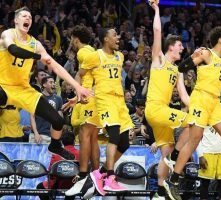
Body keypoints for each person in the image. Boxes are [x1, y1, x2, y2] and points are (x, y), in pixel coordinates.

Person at [165, 26, 221, 199]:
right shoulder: (206, 53)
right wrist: (193, 56)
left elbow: (219, 80)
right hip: (201, 99)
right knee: (194, 140)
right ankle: (173, 180)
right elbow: (182, 68)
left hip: (214, 102)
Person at [0, 7, 90, 160]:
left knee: (58, 120)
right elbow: (15, 50)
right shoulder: (8, 34)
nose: (27, 18)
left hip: (23, 90)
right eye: (23, 16)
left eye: (30, 16)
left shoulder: (35, 44)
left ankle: (54, 145)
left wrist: (77, 87)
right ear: (16, 20)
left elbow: (56, 66)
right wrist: (36, 56)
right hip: (3, 85)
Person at [69, 28, 134, 197]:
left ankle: (100, 173)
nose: (118, 37)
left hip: (120, 101)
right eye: (115, 35)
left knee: (125, 142)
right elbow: (79, 75)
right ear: (106, 39)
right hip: (104, 99)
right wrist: (79, 93)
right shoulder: (94, 55)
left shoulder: (120, 57)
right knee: (113, 134)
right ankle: (110, 177)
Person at [145, 3, 190, 200]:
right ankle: (174, 159)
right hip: (155, 109)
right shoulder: (159, 60)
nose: (183, 47)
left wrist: (200, 108)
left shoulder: (178, 72)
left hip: (161, 112)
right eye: (180, 45)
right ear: (171, 47)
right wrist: (156, 10)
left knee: (167, 150)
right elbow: (157, 30)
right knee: (192, 123)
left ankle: (160, 191)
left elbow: (184, 98)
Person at [64, 25, 101, 196]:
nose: (71, 41)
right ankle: (96, 174)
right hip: (96, 98)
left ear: (76, 39)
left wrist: (83, 94)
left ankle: (83, 174)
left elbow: (92, 76)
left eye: (72, 38)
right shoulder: (92, 50)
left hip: (90, 97)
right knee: (93, 139)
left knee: (85, 136)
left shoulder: (82, 52)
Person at [36, 131, 79, 200]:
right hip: (75, 184)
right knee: (72, 184)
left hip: (59, 184)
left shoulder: (56, 154)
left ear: (62, 142)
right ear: (74, 142)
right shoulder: (81, 154)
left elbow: (50, 172)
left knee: (40, 186)